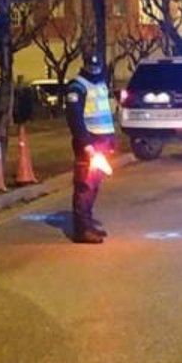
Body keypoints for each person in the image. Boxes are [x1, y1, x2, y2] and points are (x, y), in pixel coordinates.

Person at [63, 52, 116, 244]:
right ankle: (82, 230)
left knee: (93, 186)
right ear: (84, 65)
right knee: (85, 185)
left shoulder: (99, 84)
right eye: (91, 66)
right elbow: (75, 119)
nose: (94, 69)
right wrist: (86, 145)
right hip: (89, 143)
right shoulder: (77, 87)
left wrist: (111, 140)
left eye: (97, 66)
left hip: (101, 141)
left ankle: (88, 223)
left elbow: (104, 115)